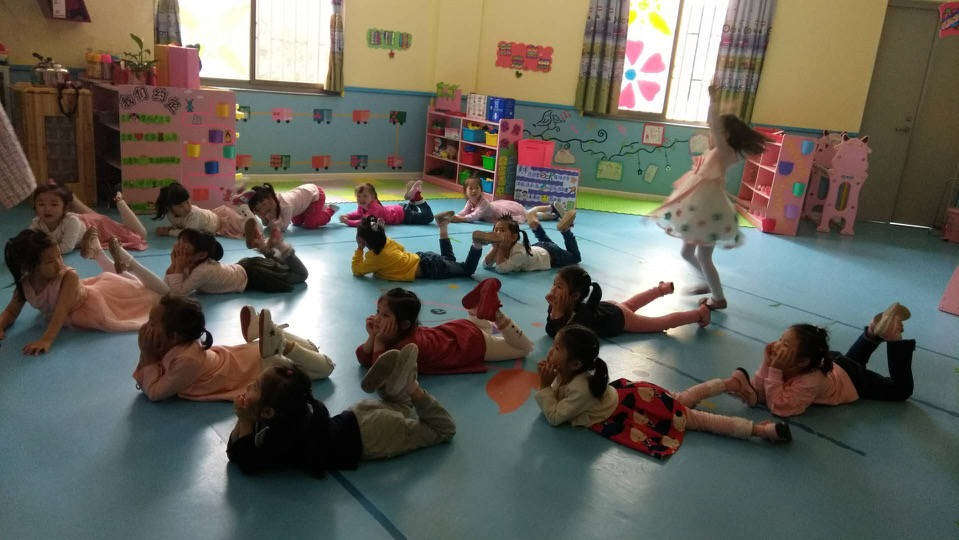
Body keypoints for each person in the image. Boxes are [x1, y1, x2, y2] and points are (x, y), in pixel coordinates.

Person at [535, 325, 791, 459]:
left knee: (697, 419)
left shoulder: (581, 388)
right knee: (683, 400)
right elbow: (560, 396)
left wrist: (545, 387)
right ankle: (731, 383)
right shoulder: (572, 372)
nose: (550, 351)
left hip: (635, 411)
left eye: (557, 348)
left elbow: (556, 417)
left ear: (576, 364)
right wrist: (552, 383)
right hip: (634, 398)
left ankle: (759, 430)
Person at [227, 344, 456, 475]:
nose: (248, 387)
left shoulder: (282, 433)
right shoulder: (288, 415)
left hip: (375, 434)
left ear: (269, 412)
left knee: (441, 430)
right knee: (400, 408)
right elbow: (236, 453)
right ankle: (396, 388)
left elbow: (246, 461)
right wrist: (245, 417)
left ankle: (410, 387)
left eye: (254, 386)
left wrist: (244, 419)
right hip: (360, 417)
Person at [651, 85, 771, 310]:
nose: (711, 134)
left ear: (725, 135)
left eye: (716, 132)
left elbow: (714, 124)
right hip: (700, 209)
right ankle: (707, 283)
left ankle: (718, 297)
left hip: (707, 212)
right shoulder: (722, 151)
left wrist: (713, 100)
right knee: (687, 252)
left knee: (704, 257)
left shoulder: (725, 151)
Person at [707, 303, 916, 417]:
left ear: (802, 362)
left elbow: (780, 407)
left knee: (900, 390)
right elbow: (760, 388)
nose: (777, 345)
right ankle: (873, 331)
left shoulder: (810, 380)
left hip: (852, 380)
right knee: (851, 363)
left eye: (785, 345)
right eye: (781, 339)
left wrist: (775, 370)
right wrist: (767, 363)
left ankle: (892, 338)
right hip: (836, 365)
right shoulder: (797, 361)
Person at [134, 297, 333, 401]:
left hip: (253, 369)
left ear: (174, 336)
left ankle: (283, 345)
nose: (146, 326)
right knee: (311, 349)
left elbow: (155, 392)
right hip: (245, 357)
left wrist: (147, 355)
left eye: (152, 323)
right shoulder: (177, 344)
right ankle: (269, 336)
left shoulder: (186, 361)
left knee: (326, 367)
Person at [0, 230, 161, 355]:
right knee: (128, 285)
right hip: (68, 305)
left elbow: (61, 311)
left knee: (138, 293)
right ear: (29, 268)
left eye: (59, 256)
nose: (59, 263)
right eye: (50, 261)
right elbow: (11, 311)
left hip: (89, 305)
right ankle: (100, 254)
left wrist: (46, 340)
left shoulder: (68, 277)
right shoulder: (25, 283)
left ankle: (121, 261)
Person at [356, 283, 534, 375]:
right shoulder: (395, 333)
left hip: (474, 343)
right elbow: (362, 358)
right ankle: (477, 307)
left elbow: (380, 375)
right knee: (483, 327)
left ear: (404, 324)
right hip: (460, 329)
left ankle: (496, 313)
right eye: (378, 312)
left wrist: (378, 341)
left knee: (525, 349)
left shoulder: (407, 347)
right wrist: (372, 337)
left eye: (385, 315)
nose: (377, 318)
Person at [108, 223, 308, 296]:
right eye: (179, 243)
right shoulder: (192, 262)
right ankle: (264, 248)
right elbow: (168, 285)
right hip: (244, 267)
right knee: (279, 265)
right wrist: (175, 265)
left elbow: (176, 294)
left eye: (184, 247)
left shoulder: (203, 270)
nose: (178, 248)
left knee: (300, 275)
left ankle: (278, 246)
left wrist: (175, 266)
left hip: (254, 276)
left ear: (201, 254)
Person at [544, 266, 709, 337]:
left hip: (618, 318)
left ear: (575, 296)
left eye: (559, 286)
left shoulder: (581, 315)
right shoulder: (563, 305)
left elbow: (557, 333)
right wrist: (554, 309)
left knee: (660, 323)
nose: (553, 289)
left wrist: (555, 311)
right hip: (610, 308)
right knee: (630, 304)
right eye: (554, 284)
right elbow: (552, 327)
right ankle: (661, 289)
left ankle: (699, 313)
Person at [351, 214, 482, 281]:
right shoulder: (386, 244)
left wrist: (360, 249)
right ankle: (443, 227)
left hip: (430, 268)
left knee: (467, 270)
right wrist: (382, 234)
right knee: (449, 259)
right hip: (422, 257)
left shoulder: (374, 259)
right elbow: (401, 248)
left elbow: (357, 270)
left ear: (363, 240)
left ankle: (477, 244)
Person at [29, 184, 147, 255]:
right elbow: (27, 240)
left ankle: (120, 201)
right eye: (41, 204)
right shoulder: (37, 222)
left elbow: (66, 247)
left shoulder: (71, 222)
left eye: (54, 204)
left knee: (139, 234)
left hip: (97, 226)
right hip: (85, 221)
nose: (47, 209)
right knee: (94, 217)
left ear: (65, 208)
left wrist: (41, 251)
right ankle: (71, 198)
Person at [475, 210, 580, 273]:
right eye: (496, 230)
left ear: (513, 237)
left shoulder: (520, 253)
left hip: (552, 255)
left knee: (575, 258)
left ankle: (565, 231)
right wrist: (495, 248)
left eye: (502, 230)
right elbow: (485, 264)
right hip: (540, 247)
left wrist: (500, 248)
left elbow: (501, 269)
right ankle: (535, 227)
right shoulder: (503, 245)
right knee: (547, 243)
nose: (497, 233)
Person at [152, 181, 249, 238]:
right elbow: (182, 227)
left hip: (223, 221)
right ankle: (238, 201)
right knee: (242, 223)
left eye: (187, 202)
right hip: (210, 219)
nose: (187, 208)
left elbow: (188, 234)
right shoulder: (170, 214)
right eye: (180, 206)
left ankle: (243, 204)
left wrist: (169, 232)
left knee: (245, 227)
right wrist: (172, 229)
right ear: (169, 207)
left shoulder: (194, 214)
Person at [247, 182, 338, 231]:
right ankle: (313, 211)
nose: (261, 211)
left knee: (310, 224)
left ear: (270, 200)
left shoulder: (285, 206)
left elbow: (283, 228)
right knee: (297, 223)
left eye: (260, 208)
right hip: (302, 201)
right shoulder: (269, 205)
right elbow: (266, 224)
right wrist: (263, 217)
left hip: (315, 195)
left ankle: (330, 209)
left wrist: (271, 222)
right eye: (257, 210)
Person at [339, 181, 434, 227]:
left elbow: (364, 223)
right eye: (359, 196)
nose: (361, 199)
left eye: (365, 196)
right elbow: (358, 214)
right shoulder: (363, 205)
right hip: (399, 208)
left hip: (403, 215)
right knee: (415, 210)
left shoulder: (374, 208)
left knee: (428, 218)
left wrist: (348, 222)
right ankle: (412, 197)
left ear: (373, 197)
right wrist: (348, 216)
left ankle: (417, 196)